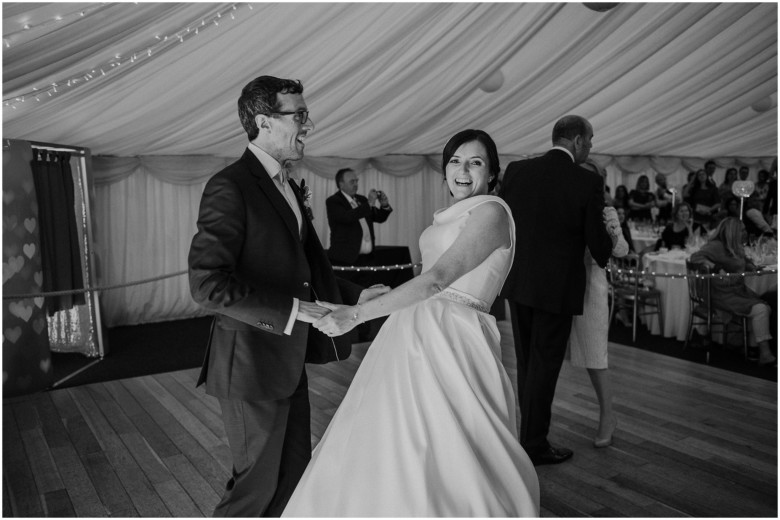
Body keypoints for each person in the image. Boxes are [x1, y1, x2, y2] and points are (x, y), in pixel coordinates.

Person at [282, 130, 540, 516]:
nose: (463, 169)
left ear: (492, 173)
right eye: (455, 160)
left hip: (456, 334)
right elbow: (426, 280)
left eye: (475, 162)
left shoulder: (492, 211)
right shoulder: (455, 212)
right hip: (416, 330)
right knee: (397, 432)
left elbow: (438, 279)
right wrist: (371, 297)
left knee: (456, 438)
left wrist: (355, 314)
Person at [188, 75, 386, 517]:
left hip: (287, 360)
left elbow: (308, 270)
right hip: (251, 364)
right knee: (254, 489)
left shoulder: (289, 186)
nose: (308, 124)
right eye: (299, 115)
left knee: (294, 473)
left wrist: (360, 296)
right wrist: (295, 311)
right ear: (264, 121)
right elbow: (206, 282)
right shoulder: (231, 186)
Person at [500, 115, 614, 466]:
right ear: (577, 140)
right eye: (590, 140)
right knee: (544, 366)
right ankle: (533, 444)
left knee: (526, 362)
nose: (591, 146)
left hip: (518, 281)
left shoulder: (518, 171)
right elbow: (598, 244)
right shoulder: (586, 182)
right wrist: (607, 243)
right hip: (556, 288)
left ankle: (528, 438)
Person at [566, 160, 628, 449]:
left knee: (594, 355)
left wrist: (611, 231)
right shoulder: (564, 204)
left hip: (592, 284)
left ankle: (608, 414)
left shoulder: (607, 212)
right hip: (562, 282)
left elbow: (622, 249)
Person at [689, 218, 776, 366]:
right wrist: (715, 267)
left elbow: (742, 261)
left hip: (736, 291)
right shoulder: (716, 246)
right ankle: (764, 353)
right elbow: (695, 257)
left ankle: (753, 349)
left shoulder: (737, 246)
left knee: (764, 306)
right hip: (720, 293)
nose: (745, 232)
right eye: (742, 230)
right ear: (733, 231)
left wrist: (751, 266)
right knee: (760, 309)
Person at [326, 168, 393, 270]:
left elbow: (378, 217)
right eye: (352, 181)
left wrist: (384, 205)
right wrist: (369, 203)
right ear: (341, 184)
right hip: (345, 260)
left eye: (356, 181)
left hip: (367, 260)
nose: (356, 184)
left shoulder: (362, 200)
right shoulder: (333, 201)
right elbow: (347, 217)